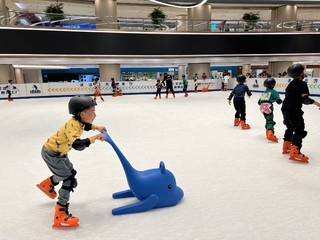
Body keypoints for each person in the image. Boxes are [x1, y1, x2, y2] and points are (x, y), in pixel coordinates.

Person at [36, 95, 106, 228]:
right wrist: (95, 137)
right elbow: (77, 145)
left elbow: (85, 126)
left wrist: (96, 127)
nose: (95, 115)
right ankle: (60, 216)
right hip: (52, 154)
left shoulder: (79, 121)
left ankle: (47, 185)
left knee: (70, 173)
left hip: (59, 153)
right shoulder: (73, 125)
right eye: (92, 112)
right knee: (69, 180)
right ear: (82, 113)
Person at [281, 63, 320, 163]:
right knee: (299, 130)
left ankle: (286, 146)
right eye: (303, 71)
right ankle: (295, 152)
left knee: (289, 127)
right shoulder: (302, 84)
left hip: (285, 109)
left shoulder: (291, 84)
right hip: (294, 110)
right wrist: (317, 104)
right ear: (300, 73)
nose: (304, 73)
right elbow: (305, 99)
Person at [258, 78, 283, 142]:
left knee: (267, 119)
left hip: (262, 107)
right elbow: (278, 100)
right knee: (270, 120)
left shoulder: (265, 92)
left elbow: (259, 101)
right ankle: (270, 133)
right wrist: (280, 101)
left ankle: (267, 132)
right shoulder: (273, 91)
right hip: (268, 107)